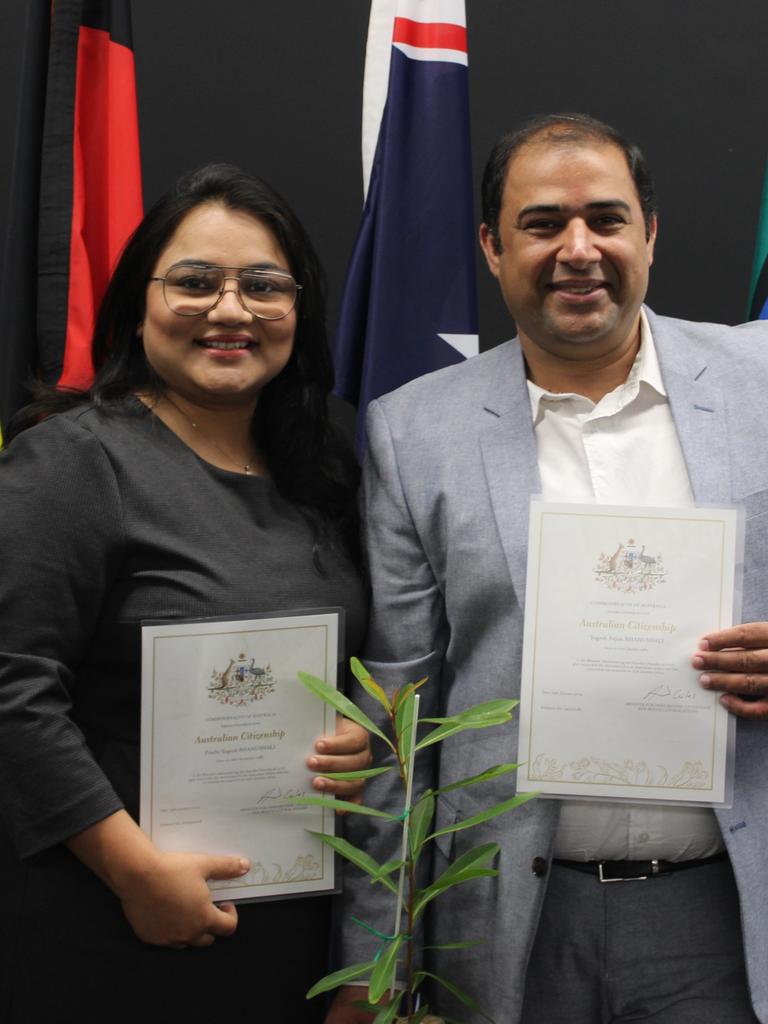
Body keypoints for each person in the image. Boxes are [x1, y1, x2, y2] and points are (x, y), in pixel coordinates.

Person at [327, 114, 768, 1024]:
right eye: (541, 223)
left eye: (607, 219)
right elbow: (398, 720)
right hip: (509, 922)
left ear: (651, 233)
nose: (579, 249)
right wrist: (375, 967)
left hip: (731, 911)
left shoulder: (761, 383)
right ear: (492, 246)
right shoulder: (415, 432)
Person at [0, 163, 371, 1023]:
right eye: (196, 282)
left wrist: (365, 726)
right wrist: (135, 874)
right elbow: (12, 685)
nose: (232, 311)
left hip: (295, 929)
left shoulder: (324, 471)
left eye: (264, 286)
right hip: (114, 926)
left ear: (298, 310)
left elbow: (372, 653)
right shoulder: (71, 464)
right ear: (140, 301)